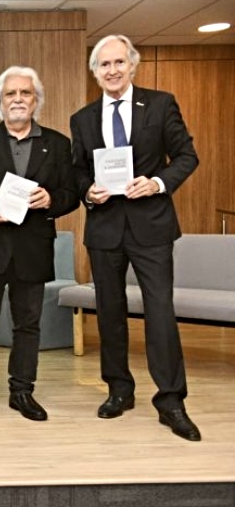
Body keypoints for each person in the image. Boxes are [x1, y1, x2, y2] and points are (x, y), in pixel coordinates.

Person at [70, 35, 200, 441]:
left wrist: (159, 182)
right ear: (95, 72)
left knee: (160, 312)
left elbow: (187, 157)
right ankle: (119, 390)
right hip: (105, 228)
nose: (112, 70)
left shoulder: (160, 104)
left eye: (118, 63)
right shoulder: (83, 118)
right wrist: (87, 191)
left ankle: (171, 401)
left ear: (132, 66)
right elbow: (77, 171)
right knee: (109, 312)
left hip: (152, 226)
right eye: (104, 65)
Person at [0, 66, 79, 423]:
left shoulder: (57, 144)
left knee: (28, 325)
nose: (18, 99)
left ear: (36, 100)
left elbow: (71, 193)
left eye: (25, 93)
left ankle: (22, 391)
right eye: (11, 94)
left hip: (32, 248)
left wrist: (51, 199)